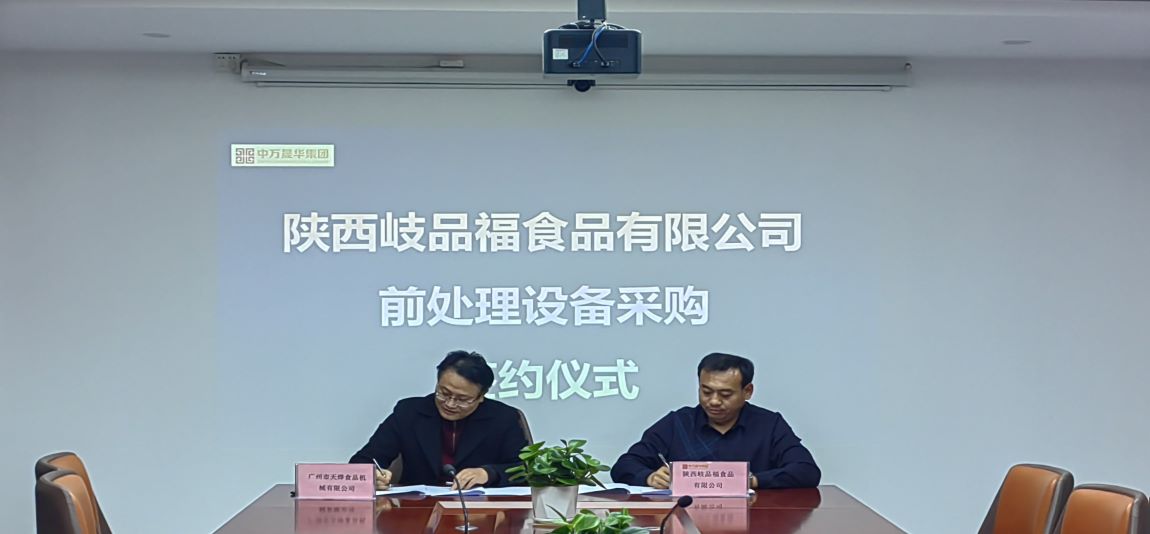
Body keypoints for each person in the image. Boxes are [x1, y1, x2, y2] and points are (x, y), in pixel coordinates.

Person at [611, 352, 821, 489]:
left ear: (748, 391)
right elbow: (624, 465)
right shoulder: (678, 423)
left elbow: (806, 471)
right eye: (706, 391)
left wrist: (751, 481)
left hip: (753, 519)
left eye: (725, 394)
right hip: (686, 520)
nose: (713, 401)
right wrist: (649, 477)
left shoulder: (769, 424)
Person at [350, 350, 529, 490]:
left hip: (483, 510)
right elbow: (363, 461)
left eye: (462, 399)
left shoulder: (503, 418)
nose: (450, 404)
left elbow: (525, 469)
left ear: (481, 396)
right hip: (418, 508)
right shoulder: (409, 412)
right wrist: (373, 476)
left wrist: (489, 473)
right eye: (444, 393)